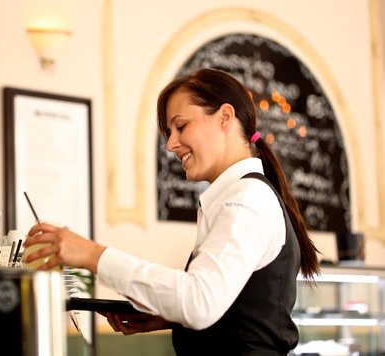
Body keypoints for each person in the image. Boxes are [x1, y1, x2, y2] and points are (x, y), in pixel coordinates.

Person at [23, 68, 320, 355]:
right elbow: (233, 308)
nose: (170, 144)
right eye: (169, 132)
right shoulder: (239, 196)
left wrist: (91, 254)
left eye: (180, 126)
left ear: (225, 117)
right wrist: (173, 319)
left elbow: (199, 301)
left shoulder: (247, 198)